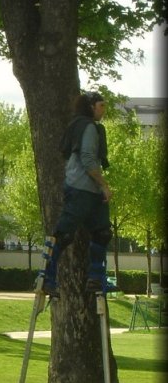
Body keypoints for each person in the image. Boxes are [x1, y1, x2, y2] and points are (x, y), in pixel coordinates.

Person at [43, 91, 116, 297]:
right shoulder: (88, 127)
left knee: (102, 233)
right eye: (101, 105)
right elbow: (87, 158)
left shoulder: (83, 125)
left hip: (90, 190)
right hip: (82, 188)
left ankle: (95, 277)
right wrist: (104, 185)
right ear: (91, 106)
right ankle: (47, 277)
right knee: (63, 234)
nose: (104, 110)